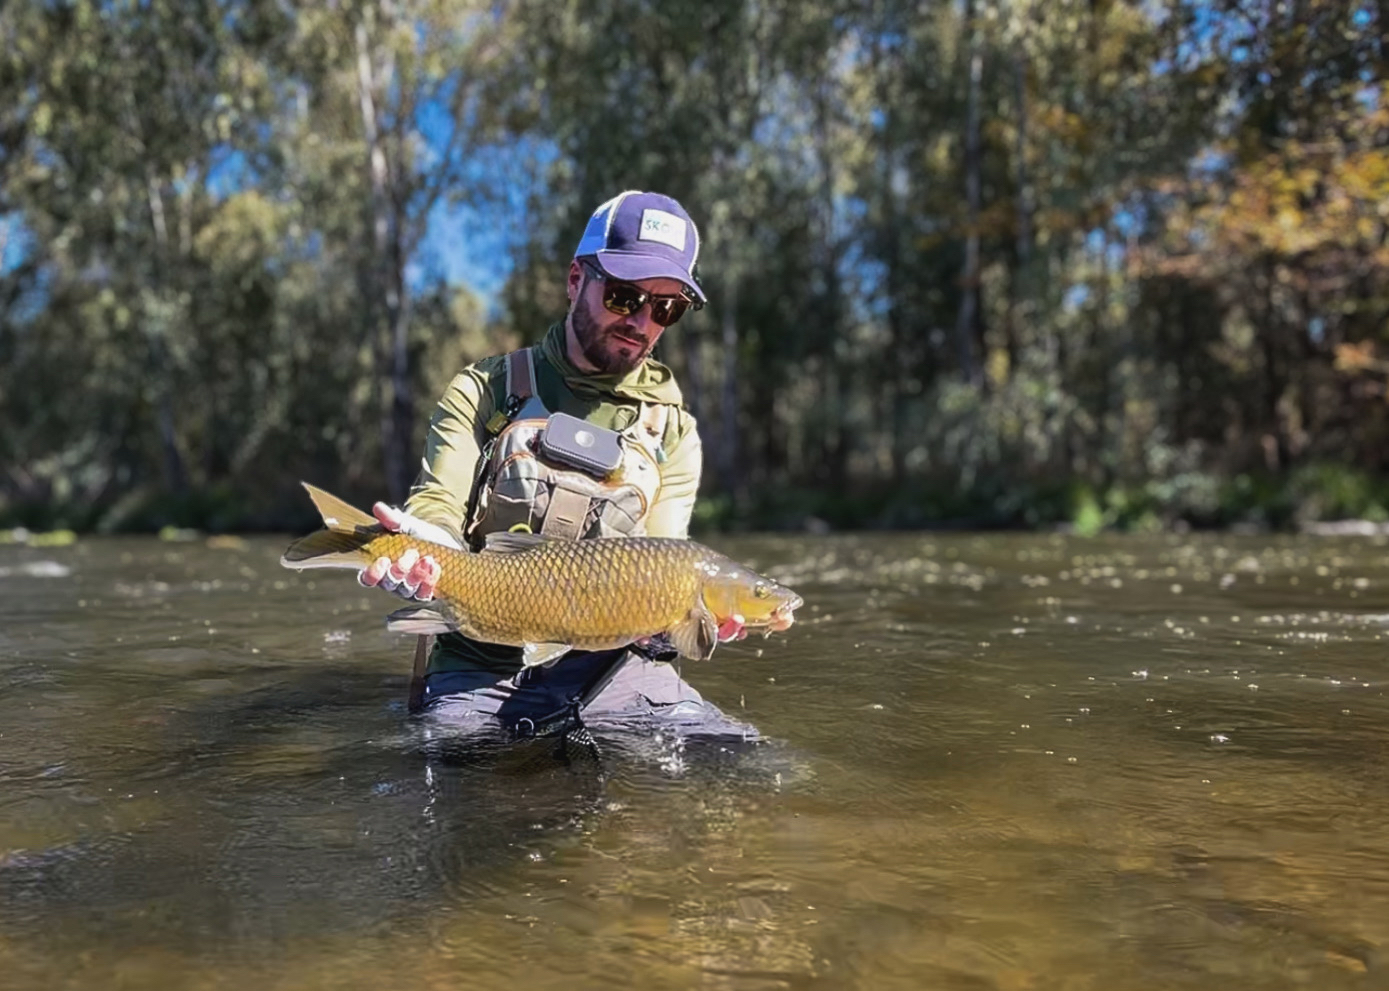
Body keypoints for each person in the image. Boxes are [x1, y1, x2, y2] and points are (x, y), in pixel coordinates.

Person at [358, 191, 757, 744]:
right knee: (466, 786)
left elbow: (665, 566)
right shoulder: (486, 389)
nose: (642, 321)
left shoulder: (674, 433)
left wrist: (679, 630)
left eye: (666, 308)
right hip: (479, 659)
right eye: (623, 295)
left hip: (617, 672)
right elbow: (438, 507)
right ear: (576, 280)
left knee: (743, 766)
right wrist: (420, 549)